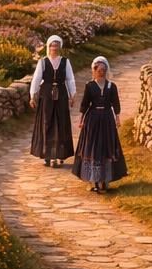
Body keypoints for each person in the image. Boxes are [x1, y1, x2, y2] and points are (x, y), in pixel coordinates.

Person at [72, 55, 127, 193]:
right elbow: (85, 104)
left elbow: (115, 103)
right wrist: (81, 118)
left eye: (103, 69)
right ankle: (94, 181)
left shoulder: (111, 86)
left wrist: (117, 117)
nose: (101, 71)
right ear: (94, 70)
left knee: (106, 148)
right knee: (93, 148)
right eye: (99, 69)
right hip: (93, 121)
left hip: (107, 120)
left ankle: (104, 181)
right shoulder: (90, 86)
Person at [28, 34, 75, 167]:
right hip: (47, 95)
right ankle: (47, 154)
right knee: (47, 123)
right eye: (52, 45)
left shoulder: (65, 62)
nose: (54, 48)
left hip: (61, 94)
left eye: (57, 45)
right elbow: (36, 79)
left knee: (61, 123)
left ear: (60, 47)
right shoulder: (43, 62)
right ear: (49, 47)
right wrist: (32, 95)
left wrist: (72, 95)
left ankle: (60, 154)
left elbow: (70, 79)